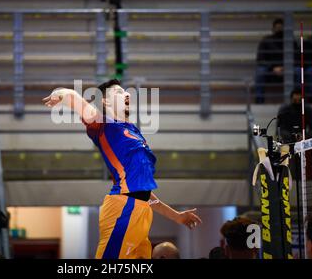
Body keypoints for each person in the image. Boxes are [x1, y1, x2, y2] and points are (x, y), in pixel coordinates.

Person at [43, 79, 202, 259]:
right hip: (122, 208)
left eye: (126, 92)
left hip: (142, 210)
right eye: (119, 92)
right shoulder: (103, 125)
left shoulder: (134, 130)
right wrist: (62, 94)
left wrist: (176, 217)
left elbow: (144, 191)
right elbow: (75, 99)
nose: (126, 94)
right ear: (105, 102)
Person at [254, 18, 312, 104]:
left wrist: (285, 67)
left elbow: (297, 58)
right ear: (273, 29)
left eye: (281, 28)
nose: (279, 30)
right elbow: (260, 59)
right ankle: (259, 101)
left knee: (298, 71)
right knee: (260, 71)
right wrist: (273, 68)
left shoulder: (290, 41)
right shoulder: (266, 41)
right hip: (271, 70)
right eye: (277, 28)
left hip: (288, 69)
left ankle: (297, 100)